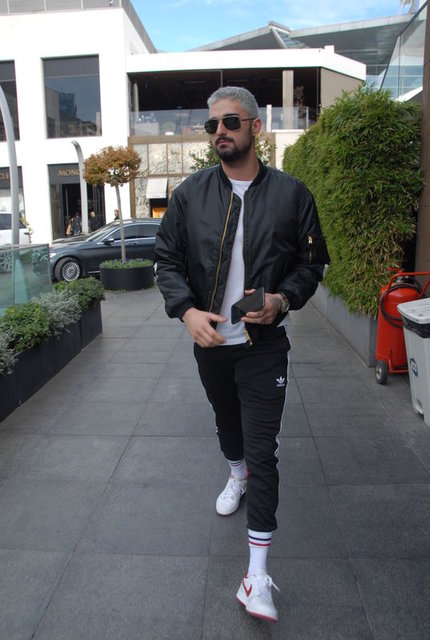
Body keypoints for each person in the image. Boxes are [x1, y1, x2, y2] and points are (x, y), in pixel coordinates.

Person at [154, 86, 329, 623]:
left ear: (255, 126)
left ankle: (256, 576)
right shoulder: (189, 195)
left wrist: (281, 300)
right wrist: (186, 311)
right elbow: (166, 261)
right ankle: (236, 472)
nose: (219, 132)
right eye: (212, 125)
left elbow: (311, 265)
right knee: (228, 428)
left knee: (264, 448)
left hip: (264, 346)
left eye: (230, 122)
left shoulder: (293, 194)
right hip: (211, 343)